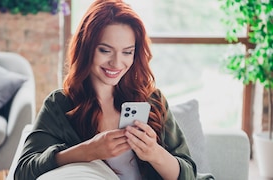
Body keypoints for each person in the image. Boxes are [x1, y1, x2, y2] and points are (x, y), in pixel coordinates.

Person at [14, 0, 207, 179]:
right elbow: (23, 172)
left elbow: (189, 173)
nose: (116, 63)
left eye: (127, 52)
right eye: (105, 50)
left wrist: (154, 153)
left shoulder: (151, 100)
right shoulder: (60, 104)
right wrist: (87, 151)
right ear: (86, 47)